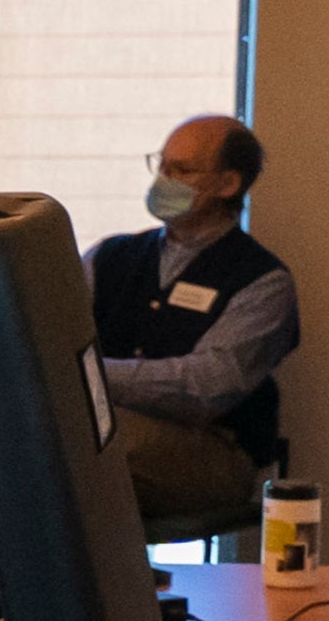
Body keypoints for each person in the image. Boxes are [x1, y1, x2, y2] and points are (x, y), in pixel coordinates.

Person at [90, 115, 298, 536]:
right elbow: (47, 333)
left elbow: (207, 386)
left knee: (94, 439)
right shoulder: (111, 256)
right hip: (113, 428)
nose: (164, 179)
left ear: (227, 185)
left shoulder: (263, 282)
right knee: (39, 433)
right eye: (161, 165)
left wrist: (89, 376)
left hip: (214, 452)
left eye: (182, 170)